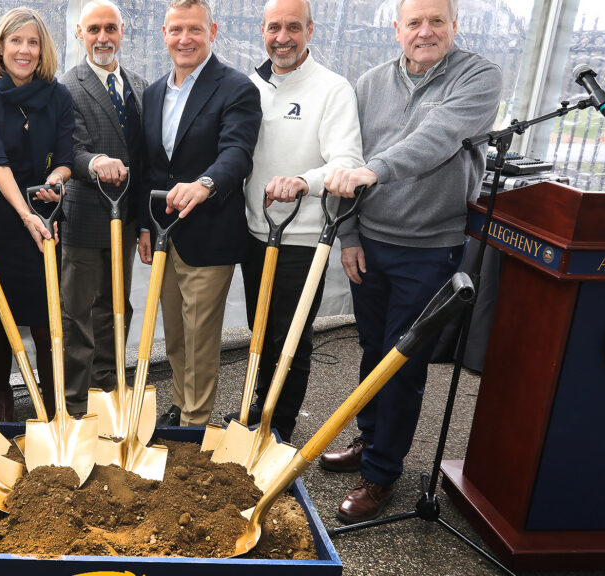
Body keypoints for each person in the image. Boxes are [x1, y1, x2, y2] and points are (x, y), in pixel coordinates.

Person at [321, 0, 502, 523]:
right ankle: (372, 440)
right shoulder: (370, 83)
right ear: (397, 30)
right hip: (369, 241)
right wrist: (349, 232)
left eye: (436, 21)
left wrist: (372, 172)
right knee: (372, 347)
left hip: (429, 248)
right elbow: (345, 157)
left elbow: (436, 138)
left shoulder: (478, 76)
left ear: (454, 26)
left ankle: (380, 476)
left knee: (403, 362)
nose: (426, 32)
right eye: (414, 23)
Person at [226, 0, 363, 441]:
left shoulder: (332, 89)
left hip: (302, 237)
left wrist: (304, 181)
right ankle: (255, 411)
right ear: (261, 31)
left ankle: (278, 429)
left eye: (292, 27)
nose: (282, 37)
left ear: (310, 30)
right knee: (261, 330)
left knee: (290, 338)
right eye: (273, 27)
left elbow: (347, 161)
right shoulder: (250, 85)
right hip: (255, 231)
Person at [141, 0, 262, 427]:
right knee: (174, 332)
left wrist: (205, 184)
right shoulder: (154, 92)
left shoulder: (235, 88)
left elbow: (237, 153)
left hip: (210, 233)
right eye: (176, 30)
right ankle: (180, 404)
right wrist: (144, 224)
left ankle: (195, 423)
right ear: (165, 34)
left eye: (194, 30)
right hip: (165, 233)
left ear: (213, 32)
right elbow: (152, 166)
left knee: (199, 336)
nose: (184, 39)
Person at [0, 7, 75, 421]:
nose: (24, 50)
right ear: (1, 47)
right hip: (1, 221)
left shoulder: (58, 96)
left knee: (46, 319)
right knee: (0, 318)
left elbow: (65, 159)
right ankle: (4, 399)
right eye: (16, 41)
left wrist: (56, 178)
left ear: (42, 48)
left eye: (32, 42)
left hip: (46, 216)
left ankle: (51, 404)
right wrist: (24, 213)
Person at [59, 0, 147, 415]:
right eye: (93, 29)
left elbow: (146, 158)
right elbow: (66, 149)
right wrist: (94, 162)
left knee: (116, 305)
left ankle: (108, 390)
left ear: (122, 33)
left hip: (124, 219)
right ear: (80, 34)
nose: (102, 37)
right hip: (84, 217)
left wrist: (145, 222)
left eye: (110, 28)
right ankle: (75, 403)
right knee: (77, 312)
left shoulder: (141, 86)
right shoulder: (68, 86)